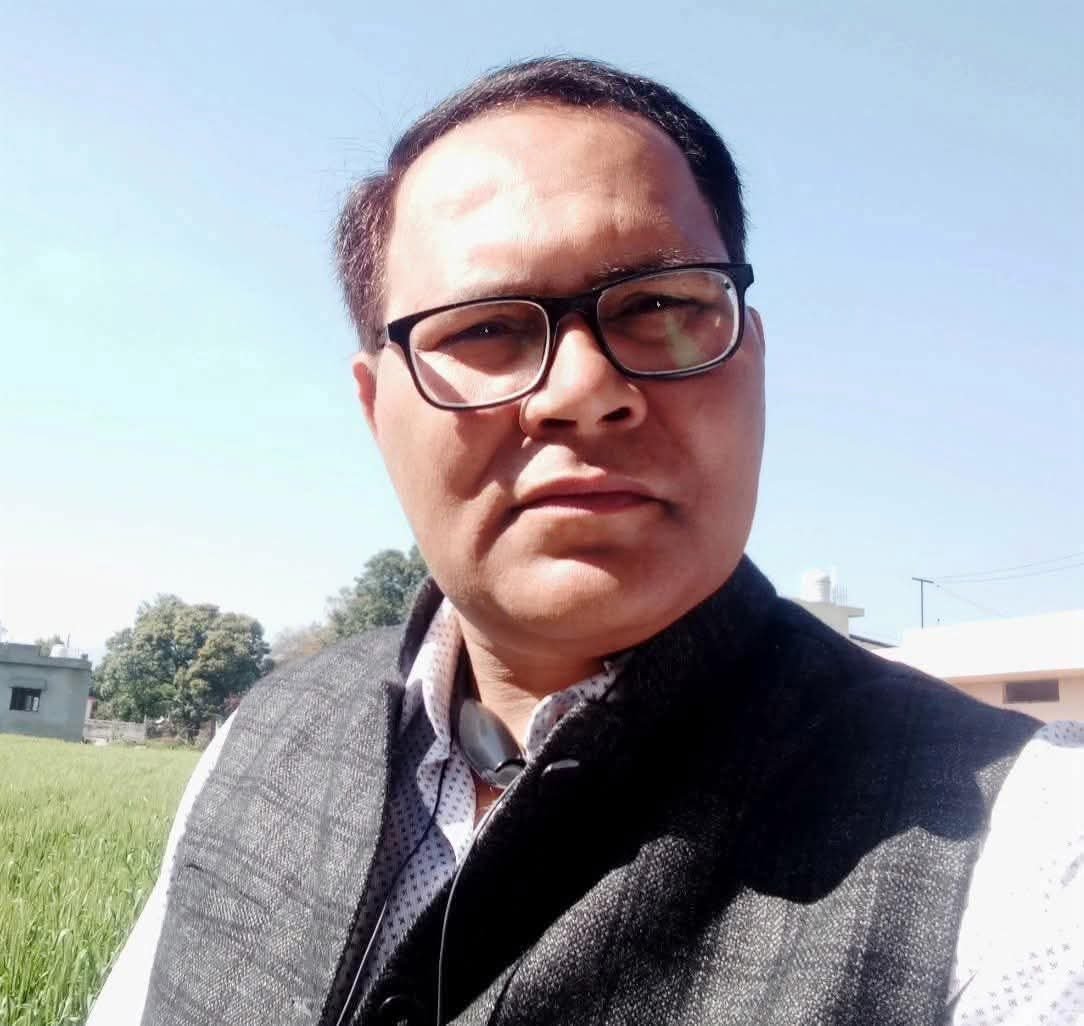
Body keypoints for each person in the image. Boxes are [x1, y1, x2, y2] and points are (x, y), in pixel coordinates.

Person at [89, 58, 1083, 1026]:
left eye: (659, 306)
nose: (582, 390)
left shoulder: (1032, 864)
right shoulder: (262, 737)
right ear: (374, 408)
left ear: (753, 356)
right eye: (483, 329)